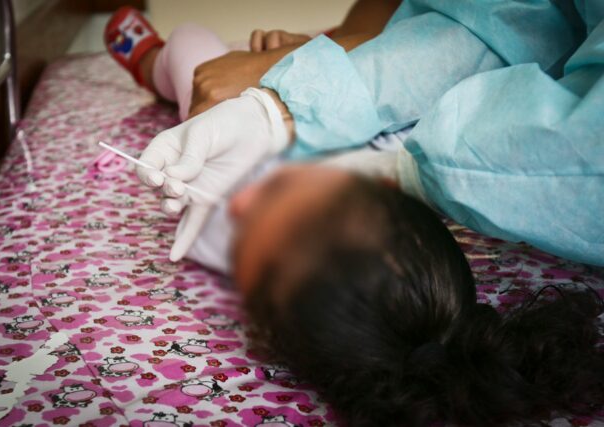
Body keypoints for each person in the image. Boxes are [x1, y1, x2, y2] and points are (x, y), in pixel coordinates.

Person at [105, 2, 604, 425]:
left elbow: (192, 45)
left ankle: (145, 59)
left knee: (195, 60)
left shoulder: (219, 216)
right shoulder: (423, 145)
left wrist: (161, 61)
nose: (243, 203)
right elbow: (494, 32)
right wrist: (297, 78)